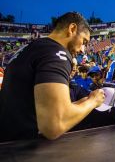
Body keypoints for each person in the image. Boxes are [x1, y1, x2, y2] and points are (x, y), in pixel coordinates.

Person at [0, 12, 105, 142]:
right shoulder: (57, 53)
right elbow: (53, 126)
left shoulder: (30, 48)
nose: (83, 50)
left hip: (8, 142)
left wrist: (82, 102)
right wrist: (93, 101)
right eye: (84, 41)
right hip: (25, 148)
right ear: (72, 29)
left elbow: (35, 107)